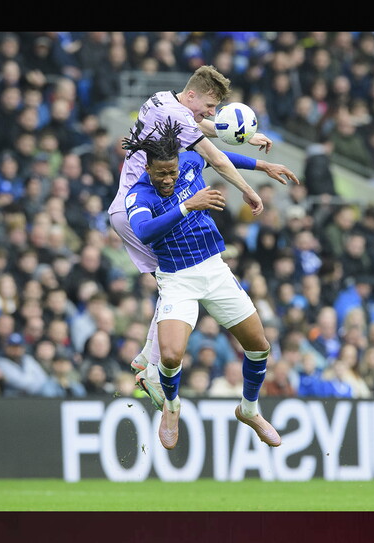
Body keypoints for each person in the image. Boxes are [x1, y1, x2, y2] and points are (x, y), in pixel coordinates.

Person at [107, 65, 299, 412]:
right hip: (139, 208)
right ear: (192, 95)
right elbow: (215, 158)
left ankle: (144, 361)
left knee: (166, 280)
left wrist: (243, 139)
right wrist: (250, 191)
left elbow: (198, 129)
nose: (211, 113)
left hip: (134, 206)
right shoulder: (179, 118)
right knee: (170, 279)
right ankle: (150, 369)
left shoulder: (164, 101)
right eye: (210, 106)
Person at [122, 119, 282, 450]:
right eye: (160, 173)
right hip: (177, 279)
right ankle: (172, 405)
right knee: (169, 355)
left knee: (258, 346)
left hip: (214, 270)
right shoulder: (139, 195)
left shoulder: (191, 162)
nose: (168, 179)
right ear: (147, 167)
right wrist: (187, 205)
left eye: (172, 172)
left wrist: (261, 165)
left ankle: (249, 409)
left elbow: (220, 157)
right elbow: (145, 232)